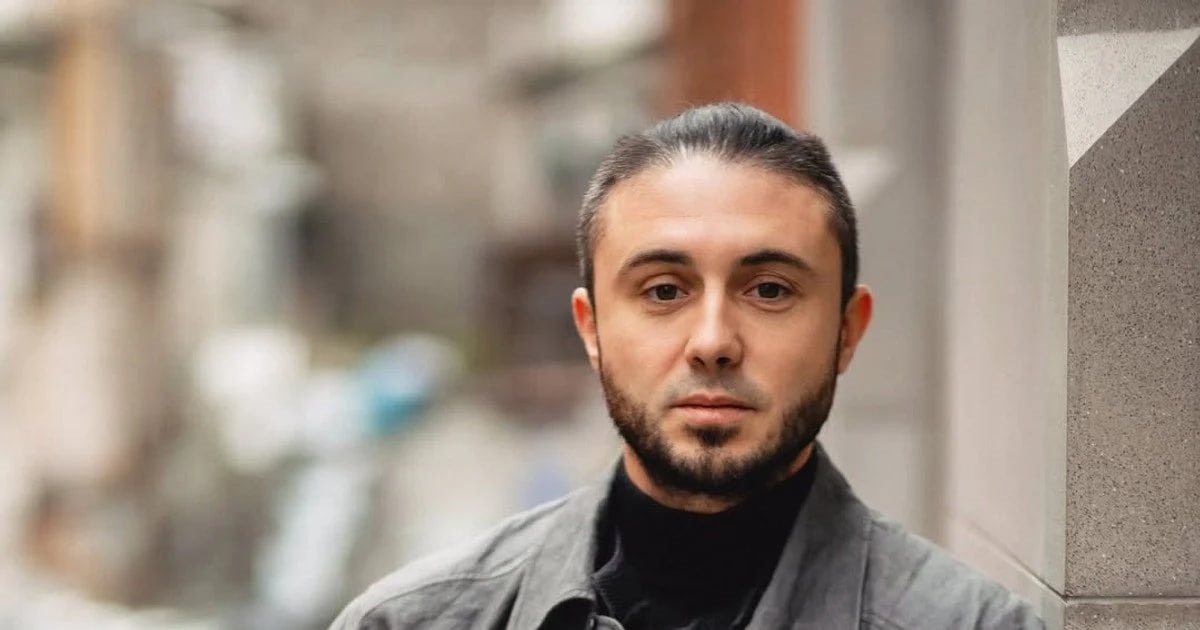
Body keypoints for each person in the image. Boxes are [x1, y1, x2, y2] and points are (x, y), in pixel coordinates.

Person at [329, 103, 1044, 630]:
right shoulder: (411, 622)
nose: (712, 341)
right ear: (592, 329)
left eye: (770, 290)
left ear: (847, 331)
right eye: (664, 291)